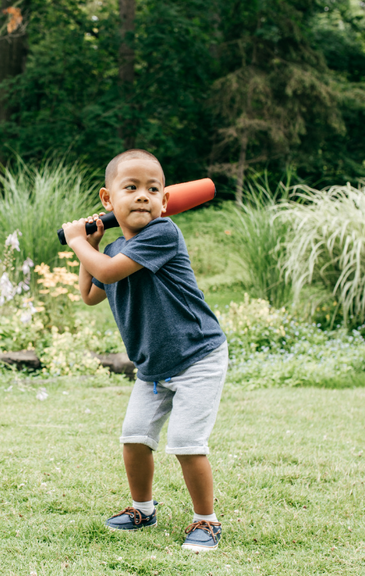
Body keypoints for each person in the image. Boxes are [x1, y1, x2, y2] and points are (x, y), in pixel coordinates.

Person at [60, 149, 229, 552]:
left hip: (197, 356)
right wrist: (95, 243)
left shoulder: (163, 233)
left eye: (153, 189)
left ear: (165, 202)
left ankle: (206, 521)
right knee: (134, 438)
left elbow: (106, 271)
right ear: (107, 200)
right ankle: (143, 509)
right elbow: (89, 294)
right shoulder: (114, 248)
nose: (142, 196)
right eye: (130, 187)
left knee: (187, 442)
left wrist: (76, 242)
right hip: (154, 367)